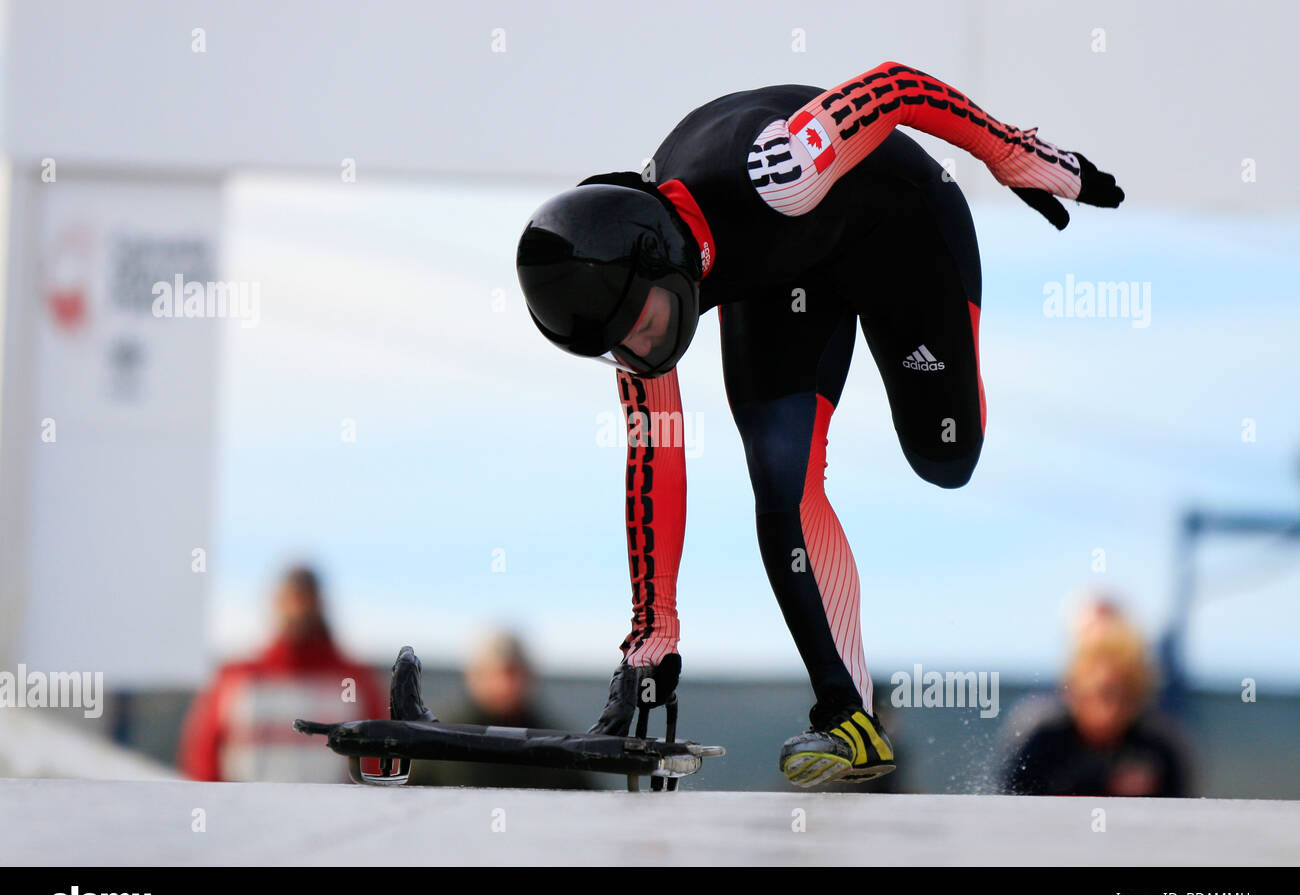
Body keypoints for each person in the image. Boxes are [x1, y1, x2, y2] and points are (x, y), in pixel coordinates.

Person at [515, 62, 1124, 788]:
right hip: (779, 276)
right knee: (780, 480)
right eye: (625, 347)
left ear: (665, 254)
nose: (648, 351)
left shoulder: (776, 165)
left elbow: (898, 87)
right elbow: (656, 462)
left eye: (653, 326)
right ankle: (848, 716)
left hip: (898, 232)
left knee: (947, 457)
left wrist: (1007, 152)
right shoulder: (633, 309)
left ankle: (852, 701)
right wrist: (653, 636)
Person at [178, 566, 385, 782]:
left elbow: (380, 759)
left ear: (320, 602)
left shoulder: (357, 680)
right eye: (292, 598)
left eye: (306, 598)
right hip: (245, 813)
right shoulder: (235, 679)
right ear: (276, 602)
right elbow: (202, 759)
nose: (298, 608)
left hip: (335, 814)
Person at [1001, 610, 1191, 797]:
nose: (1113, 709)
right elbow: (1008, 806)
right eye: (1104, 694)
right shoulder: (1041, 738)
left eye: (1127, 697)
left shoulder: (1158, 749)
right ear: (1075, 689)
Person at [406, 631, 598, 789]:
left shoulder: (558, 744)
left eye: (514, 673)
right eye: (495, 673)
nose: (505, 685)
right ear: (474, 676)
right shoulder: (435, 738)